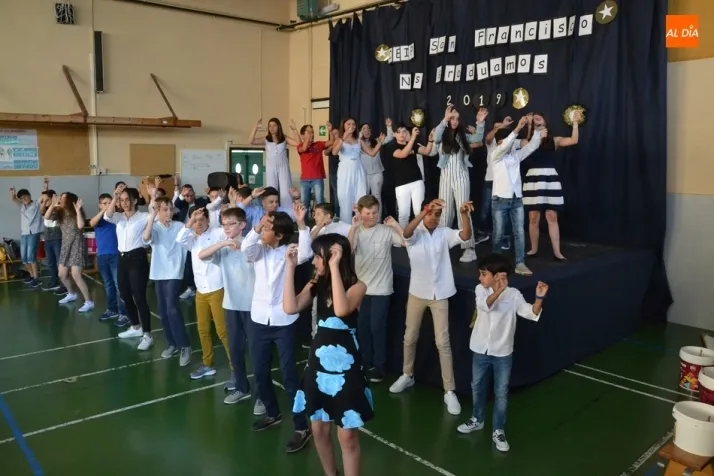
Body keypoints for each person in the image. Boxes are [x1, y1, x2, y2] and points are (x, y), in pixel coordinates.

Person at [284, 234, 370, 476]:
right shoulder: (316, 284)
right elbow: (290, 307)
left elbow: (341, 310)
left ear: (334, 258)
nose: (313, 262)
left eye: (317, 257)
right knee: (319, 430)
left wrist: (333, 268)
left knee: (347, 435)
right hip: (318, 365)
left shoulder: (358, 286)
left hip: (347, 369)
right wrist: (289, 268)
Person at [389, 198, 474, 415]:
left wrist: (464, 214)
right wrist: (423, 212)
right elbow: (406, 233)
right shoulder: (415, 234)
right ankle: (407, 375)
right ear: (423, 213)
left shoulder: (444, 233)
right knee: (410, 337)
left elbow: (465, 236)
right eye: (430, 213)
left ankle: (449, 390)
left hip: (440, 294)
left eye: (437, 215)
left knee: (443, 342)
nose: (433, 218)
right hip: (417, 292)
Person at [457, 253, 548, 452]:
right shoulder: (480, 289)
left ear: (498, 275)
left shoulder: (514, 294)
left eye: (483, 274)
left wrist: (539, 298)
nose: (480, 278)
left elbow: (530, 313)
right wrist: (498, 291)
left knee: (501, 393)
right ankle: (477, 419)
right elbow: (484, 306)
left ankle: (498, 430)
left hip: (503, 353)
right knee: (477, 386)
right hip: (480, 349)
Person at [242, 202, 312, 453]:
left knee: (289, 376)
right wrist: (256, 228)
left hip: (284, 321)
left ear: (279, 235)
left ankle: (301, 427)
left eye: (268, 227)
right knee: (260, 373)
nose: (263, 229)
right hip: (259, 320)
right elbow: (246, 250)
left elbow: (306, 253)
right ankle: (273, 413)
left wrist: (301, 223)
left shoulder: (290, 251)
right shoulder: (258, 250)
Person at [197, 207, 265, 414]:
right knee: (235, 350)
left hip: (253, 307)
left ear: (242, 225)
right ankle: (242, 388)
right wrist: (224, 243)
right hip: (231, 306)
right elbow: (202, 255)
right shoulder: (224, 249)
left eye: (231, 224)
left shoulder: (253, 246)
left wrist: (237, 244)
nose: (226, 228)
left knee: (257, 353)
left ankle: (262, 396)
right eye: (224, 224)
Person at [348, 195, 404, 383]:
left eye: (375, 212)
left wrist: (395, 225)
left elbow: (406, 242)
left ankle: (380, 367)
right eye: (368, 213)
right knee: (363, 328)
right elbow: (348, 250)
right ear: (360, 213)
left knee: (377, 328)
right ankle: (366, 363)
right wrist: (353, 228)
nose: (372, 216)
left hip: (381, 289)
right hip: (362, 289)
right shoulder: (356, 230)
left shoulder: (385, 231)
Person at [176, 207, 231, 380]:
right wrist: (191, 220)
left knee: (223, 331)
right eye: (195, 220)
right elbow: (179, 238)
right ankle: (208, 364)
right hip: (201, 291)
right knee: (203, 329)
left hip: (217, 289)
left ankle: (235, 368)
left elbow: (230, 232)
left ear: (208, 220)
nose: (198, 223)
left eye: (201, 219)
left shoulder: (218, 233)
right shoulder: (192, 239)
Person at [522, 111, 581, 261]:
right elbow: (526, 148)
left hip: (549, 179)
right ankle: (533, 249)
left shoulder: (554, 140)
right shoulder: (527, 141)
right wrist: (529, 127)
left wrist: (575, 123)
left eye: (539, 116)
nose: (536, 117)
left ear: (546, 121)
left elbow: (573, 140)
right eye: (534, 118)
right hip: (533, 179)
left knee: (551, 216)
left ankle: (557, 252)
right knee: (533, 217)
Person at [431, 106, 487, 262]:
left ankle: (469, 248)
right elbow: (435, 137)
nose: (455, 121)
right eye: (452, 118)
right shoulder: (441, 134)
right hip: (445, 177)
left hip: (461, 176)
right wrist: (444, 119)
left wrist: (480, 122)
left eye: (457, 118)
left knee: (463, 210)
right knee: (444, 212)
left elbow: (478, 138)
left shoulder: (463, 136)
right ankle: (441, 246)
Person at [489, 115, 542, 276]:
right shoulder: (495, 155)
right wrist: (518, 128)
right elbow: (506, 145)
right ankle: (496, 264)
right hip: (500, 200)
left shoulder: (515, 156)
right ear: (499, 142)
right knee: (498, 234)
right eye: (508, 140)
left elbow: (532, 146)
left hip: (517, 199)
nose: (513, 143)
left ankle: (520, 262)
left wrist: (537, 129)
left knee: (519, 232)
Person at [143, 195, 192, 367]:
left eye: (171, 209)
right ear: (158, 211)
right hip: (159, 273)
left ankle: (184, 346)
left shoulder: (179, 226)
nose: (169, 212)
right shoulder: (154, 227)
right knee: (163, 312)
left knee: (172, 308)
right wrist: (152, 216)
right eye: (165, 209)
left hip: (174, 272)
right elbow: (146, 238)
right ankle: (172, 343)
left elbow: (189, 233)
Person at [104, 184, 154, 350]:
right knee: (124, 294)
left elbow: (154, 211)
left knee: (139, 297)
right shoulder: (118, 217)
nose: (124, 203)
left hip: (137, 258)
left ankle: (147, 335)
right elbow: (107, 215)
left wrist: (153, 195)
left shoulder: (143, 217)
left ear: (135, 200)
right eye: (122, 200)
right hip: (122, 258)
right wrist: (114, 197)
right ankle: (135, 326)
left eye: (127, 200)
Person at [43, 193, 94, 311]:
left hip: (77, 245)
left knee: (76, 275)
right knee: (61, 274)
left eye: (63, 198)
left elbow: (81, 225)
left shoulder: (76, 212)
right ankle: (71, 293)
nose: (60, 199)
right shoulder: (59, 212)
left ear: (69, 200)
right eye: (60, 197)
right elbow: (46, 217)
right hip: (66, 246)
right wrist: (52, 205)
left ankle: (89, 301)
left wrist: (78, 210)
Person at [331, 117, 382, 223]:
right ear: (344, 126)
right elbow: (334, 152)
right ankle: (346, 227)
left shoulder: (359, 140)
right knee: (345, 198)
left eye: (353, 124)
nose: (352, 126)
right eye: (349, 124)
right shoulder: (339, 139)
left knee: (361, 198)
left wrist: (380, 143)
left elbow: (372, 153)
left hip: (358, 170)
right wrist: (343, 138)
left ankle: (362, 225)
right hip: (345, 171)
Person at [89, 193, 128, 326]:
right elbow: (91, 223)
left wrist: (110, 209)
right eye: (104, 203)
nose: (107, 205)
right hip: (102, 256)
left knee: (119, 285)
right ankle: (112, 309)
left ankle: (124, 313)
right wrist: (103, 211)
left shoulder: (117, 217)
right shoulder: (99, 219)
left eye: (109, 203)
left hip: (116, 255)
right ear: (99, 205)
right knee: (108, 284)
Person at [248, 117, 301, 207]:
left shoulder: (284, 138)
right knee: (271, 189)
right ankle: (271, 209)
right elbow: (251, 141)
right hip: (271, 166)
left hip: (283, 166)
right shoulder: (266, 139)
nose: (272, 128)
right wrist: (255, 128)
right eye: (270, 126)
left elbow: (298, 143)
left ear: (278, 126)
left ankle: (287, 211)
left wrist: (295, 130)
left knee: (286, 189)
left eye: (274, 125)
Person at [391, 124, 434, 228]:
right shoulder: (392, 147)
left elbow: (427, 151)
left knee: (419, 212)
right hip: (401, 184)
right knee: (403, 214)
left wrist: (430, 141)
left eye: (404, 131)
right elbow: (403, 154)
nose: (402, 134)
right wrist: (413, 138)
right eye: (399, 132)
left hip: (416, 181)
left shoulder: (412, 144)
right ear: (394, 134)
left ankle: (421, 235)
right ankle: (403, 236)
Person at [291, 121, 334, 206]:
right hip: (304, 180)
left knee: (320, 202)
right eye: (309, 132)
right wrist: (307, 138)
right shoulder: (300, 146)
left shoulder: (318, 144)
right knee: (304, 204)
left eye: (312, 132)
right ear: (302, 135)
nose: (312, 134)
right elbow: (304, 148)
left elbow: (332, 142)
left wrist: (330, 131)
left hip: (317, 179)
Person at [9, 187, 43, 287]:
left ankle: (36, 279)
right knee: (24, 258)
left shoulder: (37, 203)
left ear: (29, 195)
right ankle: (32, 275)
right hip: (24, 233)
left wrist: (45, 184)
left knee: (31, 257)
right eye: (22, 198)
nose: (24, 199)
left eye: (25, 196)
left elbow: (43, 196)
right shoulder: (22, 206)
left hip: (34, 232)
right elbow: (13, 199)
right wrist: (12, 193)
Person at [359, 118, 393, 216]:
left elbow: (390, 138)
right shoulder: (358, 144)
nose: (366, 130)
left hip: (377, 173)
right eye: (364, 129)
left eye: (368, 129)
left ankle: (377, 220)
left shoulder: (377, 141)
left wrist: (389, 127)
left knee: (376, 197)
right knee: (363, 197)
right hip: (364, 174)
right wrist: (360, 135)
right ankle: (364, 219)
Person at [39, 188, 63, 292]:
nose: (44, 202)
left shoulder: (58, 208)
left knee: (60, 262)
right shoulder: (46, 209)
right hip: (48, 239)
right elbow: (41, 211)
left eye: (46, 200)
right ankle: (54, 281)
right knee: (51, 262)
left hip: (58, 239)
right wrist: (44, 202)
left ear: (52, 199)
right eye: (42, 200)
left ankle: (64, 284)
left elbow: (47, 218)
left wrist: (53, 204)